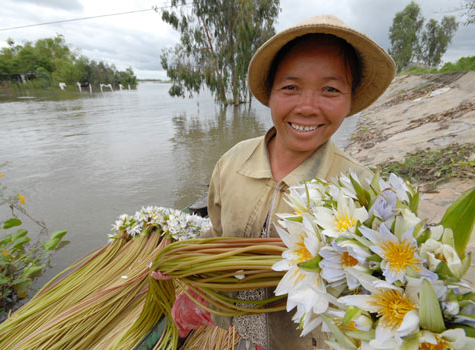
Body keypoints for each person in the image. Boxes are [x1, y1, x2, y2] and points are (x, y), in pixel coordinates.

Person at [158, 14, 395, 350]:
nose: (308, 107)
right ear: (269, 93)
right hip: (242, 328)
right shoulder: (232, 162)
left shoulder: (362, 189)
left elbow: (374, 282)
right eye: (290, 87)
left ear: (350, 98)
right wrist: (183, 262)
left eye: (330, 89)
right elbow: (216, 234)